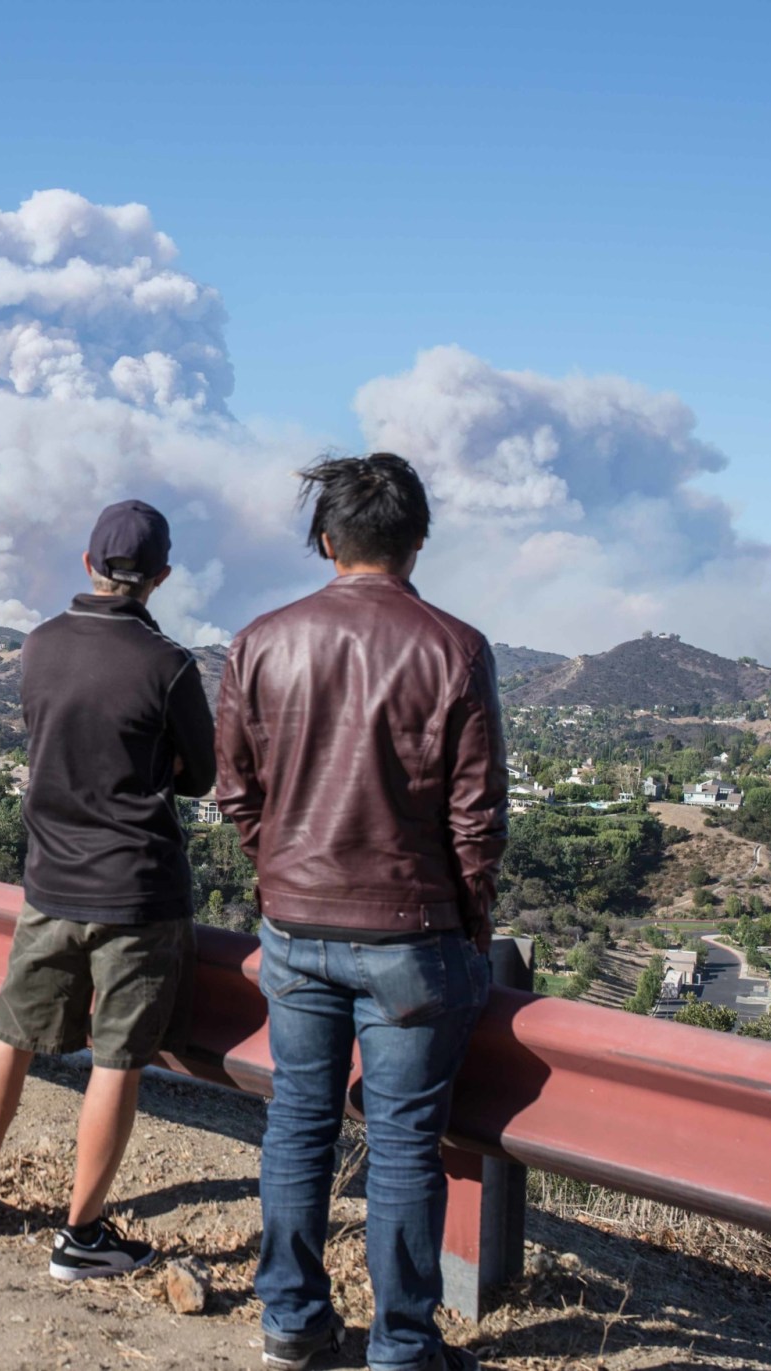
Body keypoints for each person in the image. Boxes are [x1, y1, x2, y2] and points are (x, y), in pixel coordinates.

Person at [215, 454, 506, 1371]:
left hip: (295, 930)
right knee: (405, 1144)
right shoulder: (455, 647)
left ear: (327, 541)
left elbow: (236, 793)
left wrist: (281, 876)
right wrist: (472, 920)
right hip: (414, 936)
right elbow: (477, 817)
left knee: (298, 1120)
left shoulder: (261, 640)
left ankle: (293, 1322)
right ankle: (403, 1347)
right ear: (417, 543)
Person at [0, 498, 216, 1281]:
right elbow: (202, 775)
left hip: (48, 883)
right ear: (161, 576)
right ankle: (82, 1233)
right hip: (135, 895)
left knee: (11, 1035)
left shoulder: (38, 646)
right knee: (117, 1061)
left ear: (88, 565)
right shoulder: (169, 666)